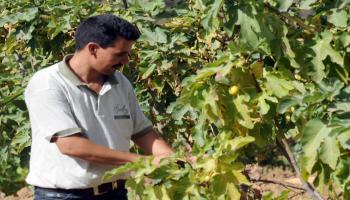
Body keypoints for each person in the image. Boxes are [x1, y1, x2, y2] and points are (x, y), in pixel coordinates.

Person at [24, 14, 174, 200]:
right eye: (120, 54)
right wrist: (143, 162)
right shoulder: (48, 83)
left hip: (115, 192)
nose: (126, 60)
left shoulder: (120, 82)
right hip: (64, 196)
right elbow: (72, 146)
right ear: (93, 48)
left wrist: (171, 158)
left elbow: (141, 132)